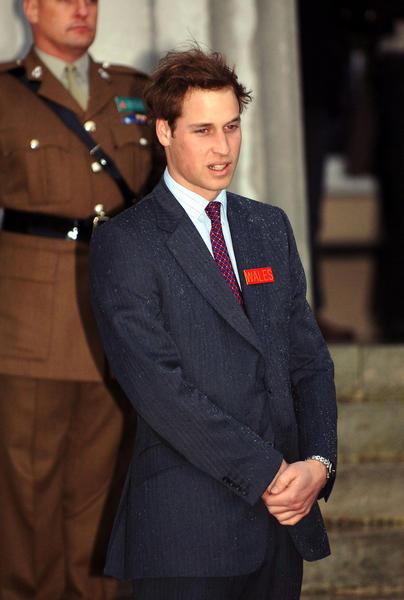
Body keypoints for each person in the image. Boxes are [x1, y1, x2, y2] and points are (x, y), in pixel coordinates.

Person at [90, 47, 337, 600]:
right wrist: (270, 473)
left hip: (282, 526)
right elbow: (160, 390)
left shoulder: (268, 226)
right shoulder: (126, 242)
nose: (222, 147)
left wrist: (319, 463)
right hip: (185, 529)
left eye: (231, 126)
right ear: (164, 131)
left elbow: (310, 362)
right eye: (202, 130)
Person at [0, 0, 162, 598]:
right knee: (27, 488)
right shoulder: (6, 94)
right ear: (30, 9)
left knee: (106, 482)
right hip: (30, 321)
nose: (81, 8)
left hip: (119, 313)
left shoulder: (133, 91)